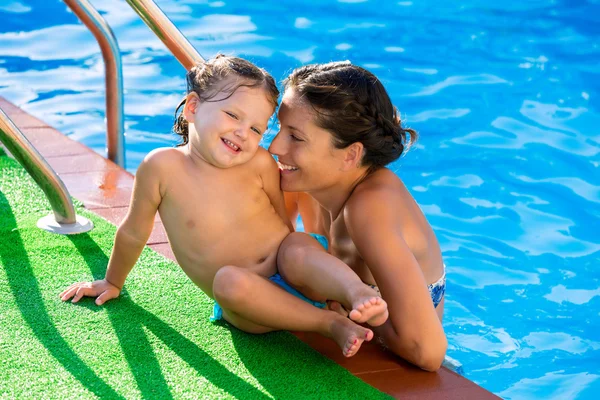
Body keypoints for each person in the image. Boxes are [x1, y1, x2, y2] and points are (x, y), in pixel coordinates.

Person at [59, 55, 384, 357]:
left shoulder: (259, 162)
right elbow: (134, 231)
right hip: (247, 303)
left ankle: (355, 293)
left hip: (293, 271)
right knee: (228, 282)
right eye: (232, 115)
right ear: (193, 107)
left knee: (297, 245)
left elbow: (283, 220)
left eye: (257, 128)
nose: (243, 133)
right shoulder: (162, 168)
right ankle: (327, 323)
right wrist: (112, 281)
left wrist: (310, 274)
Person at [268, 61, 448, 371]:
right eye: (279, 128)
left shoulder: (369, 209)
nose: (274, 146)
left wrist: (352, 308)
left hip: (403, 358)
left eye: (295, 137)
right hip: (353, 334)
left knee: (294, 251)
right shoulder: (314, 181)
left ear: (351, 154)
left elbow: (429, 352)